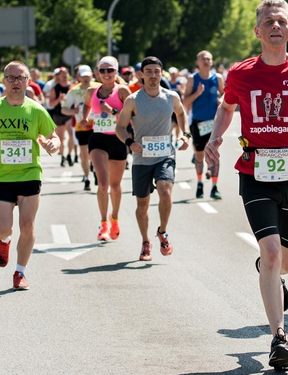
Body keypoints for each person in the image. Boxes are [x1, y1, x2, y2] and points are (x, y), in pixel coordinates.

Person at [204, 0, 288, 370]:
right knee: (272, 253)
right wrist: (215, 138)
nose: (275, 27)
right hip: (255, 173)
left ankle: (274, 274)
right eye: (269, 22)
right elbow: (226, 107)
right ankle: (279, 337)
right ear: (258, 31)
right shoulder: (241, 73)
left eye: (281, 21)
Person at [0, 61, 59, 291]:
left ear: (29, 81)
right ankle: (4, 239)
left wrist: (52, 145)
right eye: (11, 78)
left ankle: (20, 272)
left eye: (21, 78)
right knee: (4, 228)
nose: (16, 82)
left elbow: (54, 136)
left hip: (29, 174)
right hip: (1, 176)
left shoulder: (36, 110)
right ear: (3, 81)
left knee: (27, 226)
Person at [116, 57, 191, 260]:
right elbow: (120, 128)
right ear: (141, 74)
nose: (153, 75)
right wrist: (130, 143)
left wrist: (185, 134)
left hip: (165, 155)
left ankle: (162, 231)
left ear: (161, 73)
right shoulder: (133, 100)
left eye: (156, 71)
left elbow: (182, 114)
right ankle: (145, 241)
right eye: (148, 71)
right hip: (141, 158)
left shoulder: (171, 96)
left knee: (165, 192)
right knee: (143, 204)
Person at [83, 57, 133, 241]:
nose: (106, 74)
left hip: (118, 140)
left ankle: (115, 219)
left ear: (116, 71)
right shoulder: (91, 91)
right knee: (103, 184)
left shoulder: (122, 91)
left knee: (115, 185)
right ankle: (103, 224)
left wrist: (112, 111)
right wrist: (84, 117)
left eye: (109, 70)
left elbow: (131, 114)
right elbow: (87, 105)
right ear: (97, 72)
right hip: (98, 140)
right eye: (102, 70)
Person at [183, 50, 225, 200]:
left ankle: (214, 187)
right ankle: (200, 183)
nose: (206, 61)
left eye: (208, 59)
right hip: (198, 122)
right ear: (198, 62)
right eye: (203, 59)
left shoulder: (218, 78)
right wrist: (197, 94)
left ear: (212, 62)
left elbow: (225, 95)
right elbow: (185, 102)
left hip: (214, 122)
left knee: (214, 154)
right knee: (199, 154)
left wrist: (221, 100)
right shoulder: (192, 79)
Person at [61, 64, 96, 191]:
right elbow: (64, 109)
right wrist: (74, 111)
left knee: (96, 152)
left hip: (97, 126)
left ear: (92, 75)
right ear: (79, 77)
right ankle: (87, 177)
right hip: (81, 126)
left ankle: (95, 169)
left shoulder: (98, 87)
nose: (86, 79)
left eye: (88, 76)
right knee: (84, 154)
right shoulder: (73, 91)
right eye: (83, 76)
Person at [47, 67, 75, 167]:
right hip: (58, 114)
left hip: (69, 114)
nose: (63, 75)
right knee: (61, 138)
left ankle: (69, 154)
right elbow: (51, 104)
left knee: (71, 135)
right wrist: (59, 99)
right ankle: (62, 157)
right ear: (58, 76)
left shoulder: (72, 87)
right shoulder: (55, 88)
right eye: (61, 73)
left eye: (65, 73)